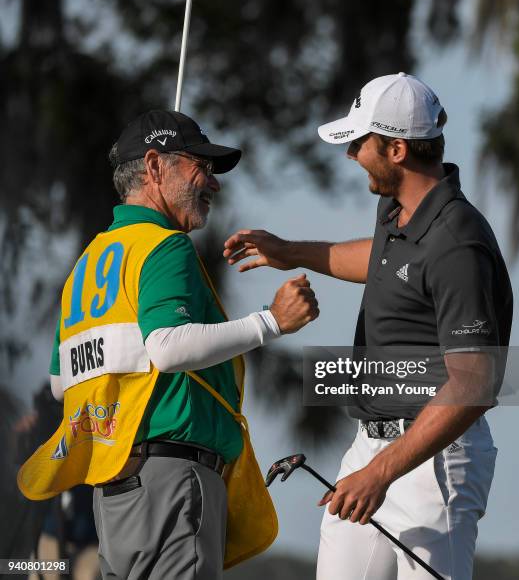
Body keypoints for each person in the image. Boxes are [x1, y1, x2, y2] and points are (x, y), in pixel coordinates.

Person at [223, 73, 513, 580]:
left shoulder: (457, 242)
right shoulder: (398, 212)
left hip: (434, 464)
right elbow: (382, 260)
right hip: (372, 446)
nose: (350, 153)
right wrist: (289, 252)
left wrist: (380, 473)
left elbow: (473, 384)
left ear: (397, 149)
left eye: (359, 143)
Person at [44, 110, 319, 580]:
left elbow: (59, 382)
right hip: (170, 482)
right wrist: (272, 321)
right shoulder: (163, 244)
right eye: (201, 168)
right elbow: (168, 349)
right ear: (154, 166)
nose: (212, 184)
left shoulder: (88, 263)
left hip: (114, 490)